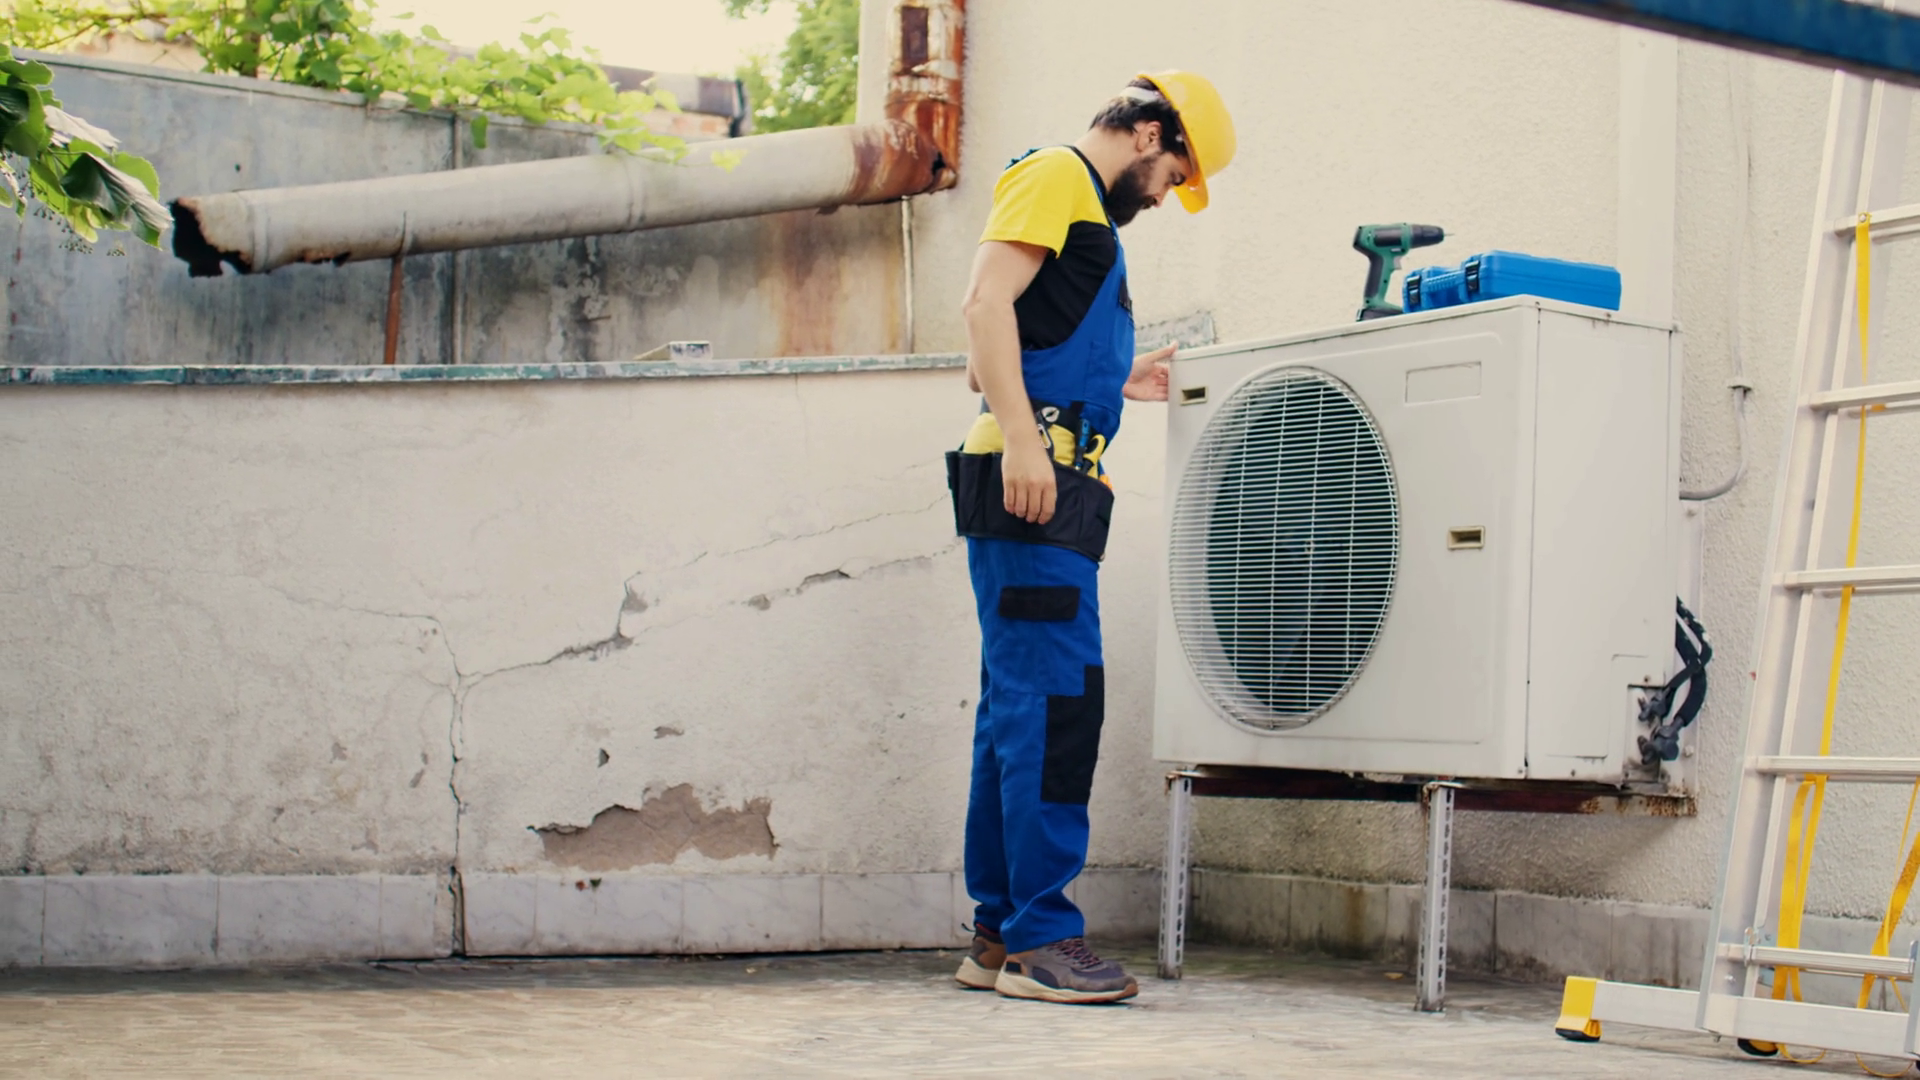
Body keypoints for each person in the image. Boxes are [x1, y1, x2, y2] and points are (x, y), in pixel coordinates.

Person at [944, 70, 1236, 1004]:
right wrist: (1028, 441)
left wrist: (1117, 380)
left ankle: (999, 934)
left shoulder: (1082, 216)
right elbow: (982, 312)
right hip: (1034, 482)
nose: (1166, 196)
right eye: (1175, 175)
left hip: (1044, 475)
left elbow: (1006, 343)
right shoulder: (1057, 177)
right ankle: (1042, 940)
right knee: (1057, 706)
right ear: (1150, 134)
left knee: (1020, 706)